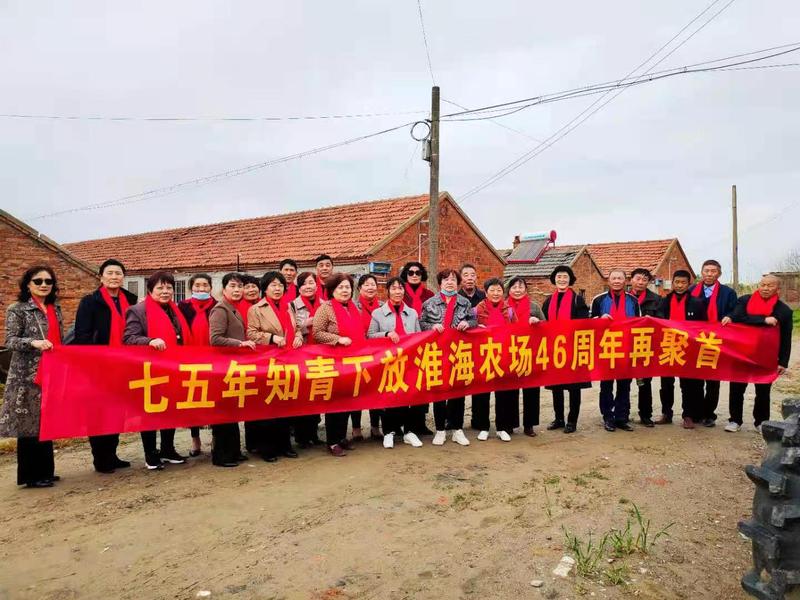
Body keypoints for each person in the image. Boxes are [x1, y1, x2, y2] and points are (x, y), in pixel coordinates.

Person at [73, 259, 138, 473]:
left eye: (118, 273)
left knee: (117, 410)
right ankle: (101, 459)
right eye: (109, 273)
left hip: (124, 364)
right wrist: (94, 360)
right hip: (99, 365)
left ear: (123, 277)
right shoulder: (90, 301)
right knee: (99, 411)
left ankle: (112, 454)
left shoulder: (131, 300)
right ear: (101, 277)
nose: (114, 277)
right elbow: (82, 335)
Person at [0, 266, 63, 488]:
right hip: (26, 375)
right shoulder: (18, 309)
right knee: (29, 425)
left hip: (51, 371)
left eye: (48, 281)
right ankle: (30, 476)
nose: (44, 285)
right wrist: (33, 342)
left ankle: (46, 471)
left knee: (46, 420)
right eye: (38, 281)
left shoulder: (55, 308)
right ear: (28, 284)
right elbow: (10, 340)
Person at [123, 271, 193, 469]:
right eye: (160, 288)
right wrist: (150, 340)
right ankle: (151, 454)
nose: (165, 291)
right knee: (150, 412)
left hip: (173, 368)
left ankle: (167, 449)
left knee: (171, 410)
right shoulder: (137, 310)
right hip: (149, 369)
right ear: (150, 290)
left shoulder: (175, 310)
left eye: (169, 287)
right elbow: (128, 338)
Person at [723, 274, 793, 432]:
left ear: (778, 289)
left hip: (766, 356)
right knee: (736, 388)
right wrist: (764, 320)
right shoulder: (744, 300)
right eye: (763, 285)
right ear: (758, 286)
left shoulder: (783, 310)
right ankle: (735, 420)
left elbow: (786, 338)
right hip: (741, 353)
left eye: (770, 286)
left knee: (763, 391)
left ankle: (761, 422)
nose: (765, 288)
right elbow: (738, 317)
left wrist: (783, 362)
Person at [247, 271, 303, 461]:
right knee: (268, 406)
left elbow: (296, 328)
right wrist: (271, 338)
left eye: (280, 285)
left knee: (286, 404)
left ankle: (285, 445)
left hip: (289, 360)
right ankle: (267, 449)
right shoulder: (256, 309)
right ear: (265, 288)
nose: (277, 289)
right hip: (268, 362)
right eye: (273, 285)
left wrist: (298, 336)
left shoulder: (289, 306)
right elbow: (251, 333)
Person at [420, 269, 476, 446]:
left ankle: (457, 429)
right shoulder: (429, 303)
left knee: (458, 392)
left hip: (458, 352)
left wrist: (468, 323)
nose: (450, 282)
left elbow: (474, 320)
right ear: (440, 283)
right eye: (446, 280)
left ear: (457, 283)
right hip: (437, 353)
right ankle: (440, 430)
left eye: (453, 279)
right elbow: (421, 323)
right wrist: (432, 327)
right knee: (439, 392)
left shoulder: (465, 302)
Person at [367, 277, 424, 449]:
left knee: (411, 396)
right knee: (391, 397)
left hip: (409, 361)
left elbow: (419, 335)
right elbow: (370, 335)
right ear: (388, 291)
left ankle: (409, 432)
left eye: (400, 288)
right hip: (389, 362)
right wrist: (386, 334)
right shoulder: (377, 313)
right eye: (393, 288)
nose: (397, 292)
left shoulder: (412, 313)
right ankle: (389, 432)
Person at [312, 272, 365, 457]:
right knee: (335, 403)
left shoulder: (353, 307)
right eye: (340, 287)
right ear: (332, 290)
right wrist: (337, 339)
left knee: (349, 401)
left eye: (347, 287)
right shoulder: (325, 308)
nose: (344, 290)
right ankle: (332, 441)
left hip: (352, 362)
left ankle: (342, 437)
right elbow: (317, 333)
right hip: (333, 362)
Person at [208, 272, 258, 467]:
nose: (237, 290)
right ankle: (222, 456)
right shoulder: (220, 309)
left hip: (234, 367)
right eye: (233, 286)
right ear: (224, 289)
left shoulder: (233, 308)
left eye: (240, 286)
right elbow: (215, 338)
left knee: (233, 411)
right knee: (224, 413)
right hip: (223, 367)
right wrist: (240, 343)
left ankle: (234, 451)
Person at [654, 270, 707, 428]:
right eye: (677, 282)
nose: (679, 285)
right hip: (668, 346)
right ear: (672, 282)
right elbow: (658, 321)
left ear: (689, 284)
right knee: (666, 384)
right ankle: (666, 413)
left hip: (688, 348)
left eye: (683, 282)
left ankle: (688, 415)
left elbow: (703, 326)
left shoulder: (697, 303)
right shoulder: (664, 301)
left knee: (688, 384)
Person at [541, 266, 591, 434]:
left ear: (570, 280)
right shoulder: (548, 301)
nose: (562, 280)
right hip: (555, 350)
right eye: (559, 277)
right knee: (557, 387)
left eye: (565, 277)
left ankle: (572, 420)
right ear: (554, 279)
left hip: (573, 350)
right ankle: (559, 418)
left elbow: (584, 324)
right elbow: (543, 323)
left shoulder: (578, 300)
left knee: (573, 388)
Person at [591, 269, 641, 432]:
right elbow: (589, 323)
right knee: (606, 386)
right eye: (614, 278)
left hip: (627, 348)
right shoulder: (598, 300)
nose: (617, 281)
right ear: (609, 280)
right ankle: (608, 417)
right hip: (606, 348)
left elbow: (639, 324)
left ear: (625, 281)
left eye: (620, 278)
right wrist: (600, 319)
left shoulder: (633, 301)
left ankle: (621, 417)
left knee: (624, 385)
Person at [689, 259, 737, 427]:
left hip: (716, 341)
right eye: (706, 271)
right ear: (701, 273)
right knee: (695, 379)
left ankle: (709, 414)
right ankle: (696, 413)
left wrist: (730, 316)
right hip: (695, 340)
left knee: (712, 380)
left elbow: (735, 310)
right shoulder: (691, 291)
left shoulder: (728, 293)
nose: (709, 274)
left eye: (713, 271)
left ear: (719, 274)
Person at [474, 278, 519, 442]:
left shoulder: (510, 310)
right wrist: (476, 328)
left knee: (503, 394)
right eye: (492, 290)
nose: (495, 293)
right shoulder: (477, 309)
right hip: (483, 357)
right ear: (486, 293)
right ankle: (483, 427)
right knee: (482, 394)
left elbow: (518, 331)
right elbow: (470, 329)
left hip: (504, 357)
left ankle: (502, 427)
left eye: (499, 290)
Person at [177, 273, 216, 456]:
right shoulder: (182, 307)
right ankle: (195, 440)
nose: (201, 289)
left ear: (211, 288)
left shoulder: (217, 306)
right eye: (197, 285)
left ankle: (215, 438)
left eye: (205, 285)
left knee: (215, 400)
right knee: (193, 401)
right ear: (191, 287)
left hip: (214, 360)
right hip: (190, 360)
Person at [506, 276, 546, 436]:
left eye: (520, 287)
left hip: (530, 353)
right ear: (509, 290)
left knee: (531, 391)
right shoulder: (504, 306)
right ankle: (510, 423)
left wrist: (537, 322)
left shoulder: (534, 306)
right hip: (509, 353)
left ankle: (529, 424)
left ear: (525, 289)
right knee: (510, 390)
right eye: (514, 287)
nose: (517, 290)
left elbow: (546, 327)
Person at [400, 261, 435, 436]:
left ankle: (420, 423)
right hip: (404, 345)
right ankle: (404, 425)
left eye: (418, 273)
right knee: (405, 385)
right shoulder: (400, 293)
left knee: (422, 385)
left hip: (425, 345)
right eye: (411, 272)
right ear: (405, 275)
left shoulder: (429, 295)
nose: (414, 275)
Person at [292, 271, 323, 447]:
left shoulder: (324, 304)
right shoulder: (292, 306)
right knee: (303, 396)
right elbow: (291, 328)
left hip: (321, 354)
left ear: (317, 285)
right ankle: (301, 436)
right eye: (304, 284)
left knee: (317, 394)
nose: (308, 286)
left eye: (311, 283)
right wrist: (306, 324)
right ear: (299, 287)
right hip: (301, 355)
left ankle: (313, 433)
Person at [459, 263, 491, 435]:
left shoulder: (485, 297)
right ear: (460, 278)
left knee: (481, 386)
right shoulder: (456, 298)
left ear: (476, 277)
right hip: (460, 348)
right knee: (458, 385)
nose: (469, 278)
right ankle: (454, 421)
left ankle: (480, 420)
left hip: (482, 348)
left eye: (472, 275)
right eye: (466, 275)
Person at [352, 273, 383, 441]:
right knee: (357, 391)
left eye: (373, 284)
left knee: (375, 390)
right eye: (366, 285)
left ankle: (375, 427)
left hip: (378, 355)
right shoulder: (352, 306)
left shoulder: (383, 306)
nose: (370, 288)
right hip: (357, 354)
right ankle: (356, 428)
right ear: (359, 288)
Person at [629, 268, 661, 427]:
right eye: (638, 279)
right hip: (625, 345)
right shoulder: (624, 298)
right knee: (623, 382)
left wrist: (653, 320)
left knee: (645, 383)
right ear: (631, 280)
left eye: (644, 280)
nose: (640, 282)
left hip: (645, 345)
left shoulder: (656, 299)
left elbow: (663, 321)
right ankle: (622, 414)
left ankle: (646, 415)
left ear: (648, 282)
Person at [238, 273, 261, 451]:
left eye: (254, 286)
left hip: (264, 358)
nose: (251, 290)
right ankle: (252, 443)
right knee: (251, 401)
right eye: (247, 287)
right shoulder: (238, 308)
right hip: (245, 359)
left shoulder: (263, 306)